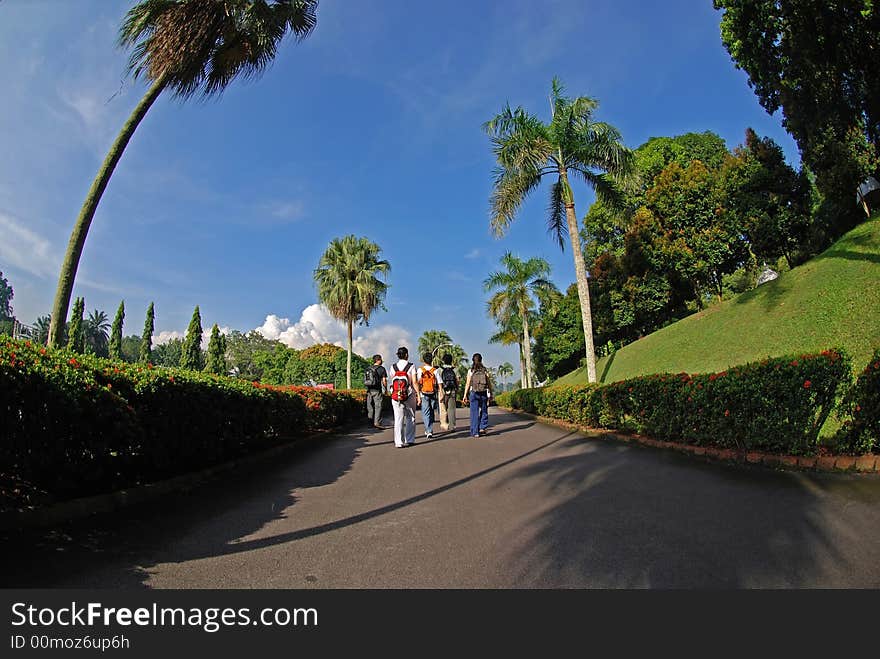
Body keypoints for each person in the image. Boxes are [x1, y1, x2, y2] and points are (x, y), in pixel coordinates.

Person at [389, 346, 421, 448]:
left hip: (395, 395)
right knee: (410, 417)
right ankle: (409, 439)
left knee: (398, 419)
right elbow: (414, 382)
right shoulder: (411, 366)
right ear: (406, 355)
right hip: (409, 394)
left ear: (398, 355)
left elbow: (393, 380)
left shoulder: (393, 367)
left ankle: (399, 442)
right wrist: (418, 395)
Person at [462, 353, 492, 438]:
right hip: (483, 392)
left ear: (473, 360)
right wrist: (491, 393)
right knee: (484, 410)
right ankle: (482, 427)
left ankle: (475, 432)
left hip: (473, 393)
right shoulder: (485, 370)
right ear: (481, 360)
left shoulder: (470, 371)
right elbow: (489, 383)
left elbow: (467, 384)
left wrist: (465, 395)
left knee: (474, 413)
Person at [417, 352, 440, 438]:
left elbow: (418, 382)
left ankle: (428, 430)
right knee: (431, 410)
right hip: (433, 393)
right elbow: (440, 383)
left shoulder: (420, 370)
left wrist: (418, 393)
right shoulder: (435, 370)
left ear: (423, 360)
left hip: (424, 393)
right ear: (432, 360)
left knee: (426, 412)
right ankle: (429, 428)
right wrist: (440, 392)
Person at [364, 354, 387, 429]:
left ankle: (369, 423)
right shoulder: (382, 369)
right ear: (378, 360)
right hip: (377, 390)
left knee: (369, 407)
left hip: (369, 390)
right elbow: (384, 381)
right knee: (378, 406)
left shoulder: (368, 368)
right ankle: (377, 422)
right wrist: (385, 389)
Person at [438, 353, 459, 432]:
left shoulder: (440, 370)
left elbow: (438, 381)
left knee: (443, 408)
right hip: (452, 390)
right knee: (451, 409)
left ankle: (444, 424)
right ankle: (452, 426)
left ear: (443, 361)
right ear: (451, 361)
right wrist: (456, 388)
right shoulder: (455, 369)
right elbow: (457, 380)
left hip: (442, 390)